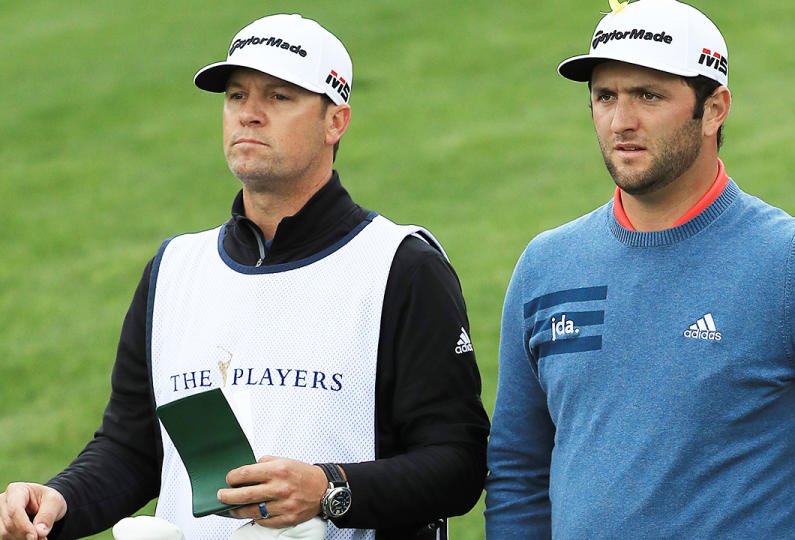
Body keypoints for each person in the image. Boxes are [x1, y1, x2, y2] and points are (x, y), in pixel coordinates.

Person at [0, 13, 489, 540]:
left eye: (278, 97)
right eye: (236, 96)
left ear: (335, 122)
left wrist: (328, 488)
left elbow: (458, 462)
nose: (249, 115)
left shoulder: (400, 265)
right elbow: (132, 449)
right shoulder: (174, 270)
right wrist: (60, 500)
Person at [484, 0, 795, 538]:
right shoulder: (547, 266)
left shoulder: (794, 266)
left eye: (649, 95)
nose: (621, 121)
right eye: (605, 96)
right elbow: (519, 471)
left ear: (714, 109)